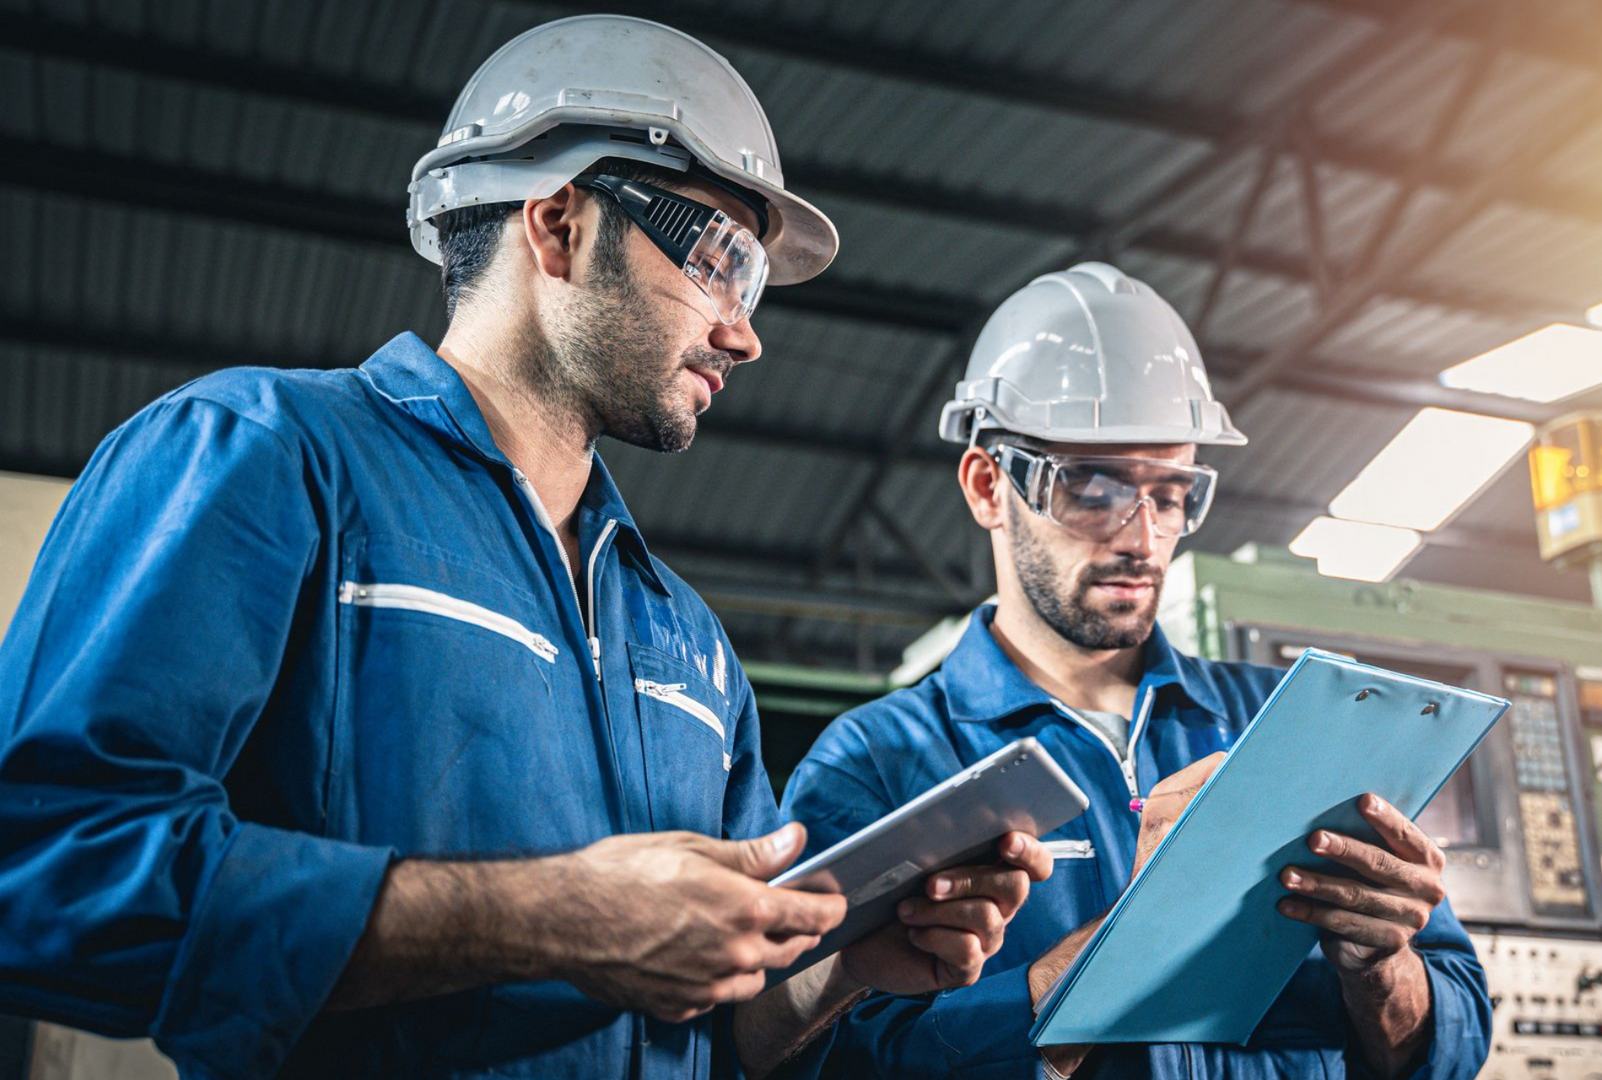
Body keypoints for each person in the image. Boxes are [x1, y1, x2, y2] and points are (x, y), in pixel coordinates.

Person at [0, 16, 1048, 1080]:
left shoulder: (688, 640)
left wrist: (843, 972)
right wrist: (554, 919)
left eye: (754, 284)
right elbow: (43, 869)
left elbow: (715, 1033)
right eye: (719, 260)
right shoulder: (267, 457)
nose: (745, 332)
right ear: (559, 225)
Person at [781, 262, 1493, 1079]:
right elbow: (820, 1055)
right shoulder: (880, 761)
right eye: (1093, 486)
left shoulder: (1284, 724)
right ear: (986, 487)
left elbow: (1456, 1038)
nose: (1143, 538)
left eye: (1172, 492)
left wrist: (1382, 969)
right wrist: (1133, 941)